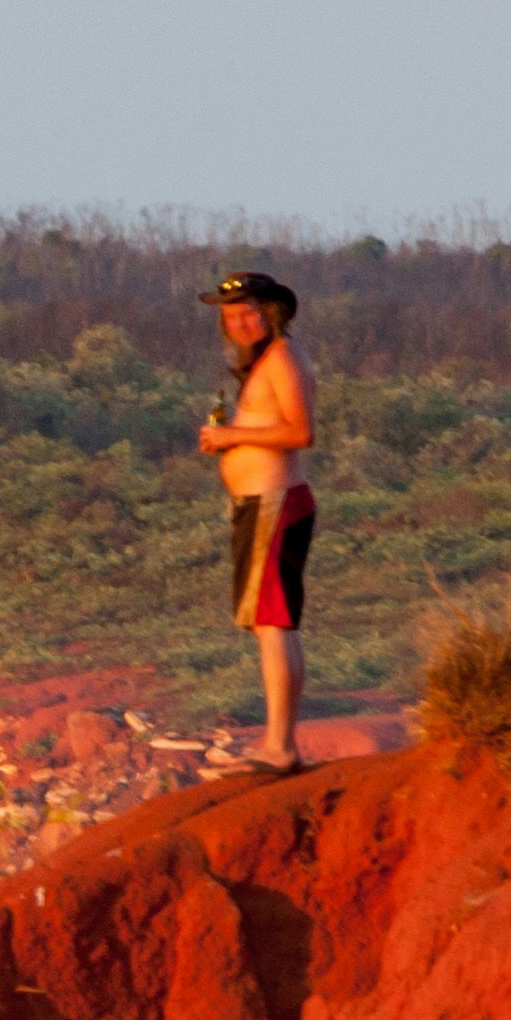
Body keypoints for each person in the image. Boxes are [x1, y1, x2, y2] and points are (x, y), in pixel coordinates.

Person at [193, 268, 316, 770]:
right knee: (274, 622)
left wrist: (231, 440)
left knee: (272, 623)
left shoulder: (285, 356)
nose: (241, 322)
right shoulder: (264, 362)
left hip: (273, 502)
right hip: (261, 504)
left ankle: (279, 746)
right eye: (231, 315)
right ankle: (280, 740)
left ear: (273, 312)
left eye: (250, 311)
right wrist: (228, 438)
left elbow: (300, 432)